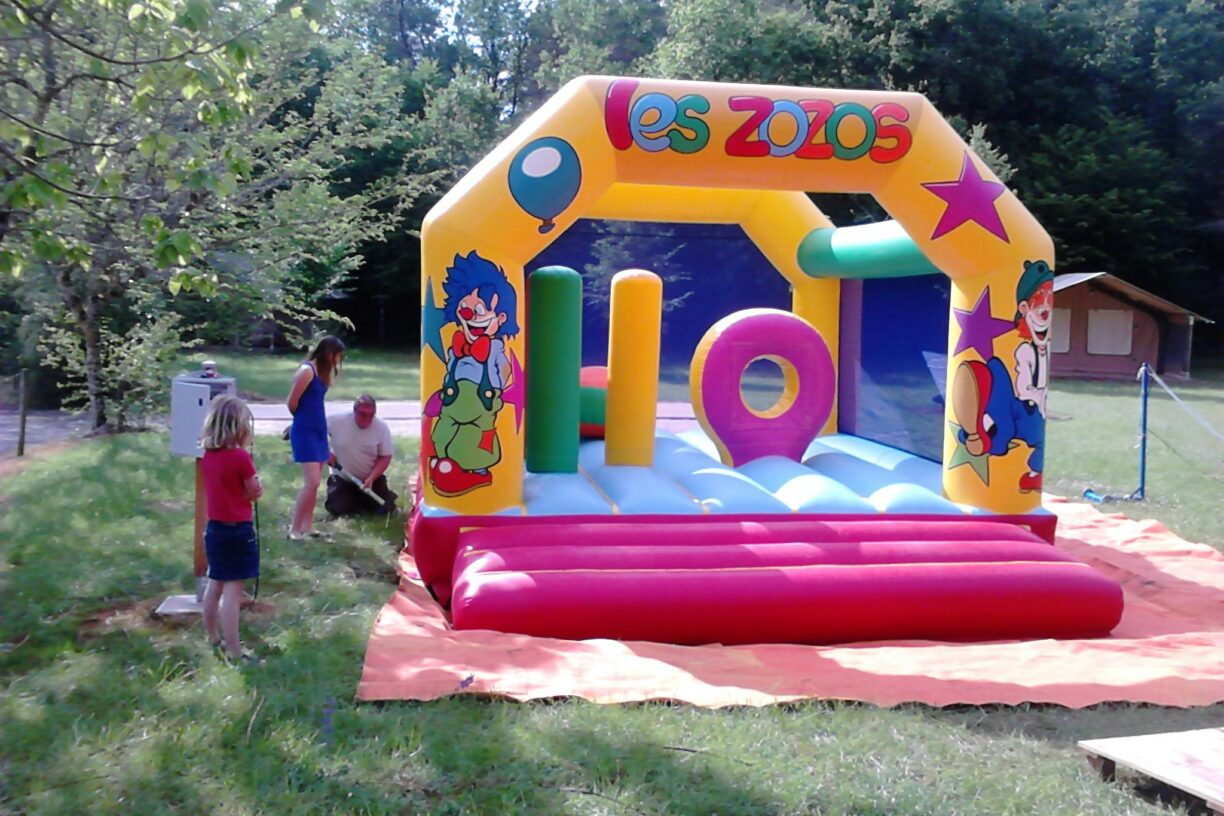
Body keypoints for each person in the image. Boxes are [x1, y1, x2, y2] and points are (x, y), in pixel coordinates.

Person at [199, 395, 263, 661]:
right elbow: (253, 491)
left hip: (215, 530)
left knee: (215, 583)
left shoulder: (208, 456)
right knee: (233, 592)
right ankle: (235, 650)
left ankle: (213, 637)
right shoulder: (240, 457)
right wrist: (257, 486)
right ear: (238, 426)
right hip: (238, 531)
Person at [287, 335, 344, 538]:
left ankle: (307, 526)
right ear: (328, 353)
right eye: (336, 355)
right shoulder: (307, 371)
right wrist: (303, 421)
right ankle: (294, 529)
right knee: (311, 482)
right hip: (305, 431)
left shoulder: (322, 373)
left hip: (319, 430)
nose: (338, 360)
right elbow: (292, 403)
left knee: (315, 483)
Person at [325, 394, 398, 516]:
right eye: (363, 414)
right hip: (343, 478)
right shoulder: (336, 422)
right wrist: (324, 451)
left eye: (371, 415)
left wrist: (371, 478)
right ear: (354, 411)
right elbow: (312, 430)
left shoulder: (381, 428)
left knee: (384, 510)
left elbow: (385, 456)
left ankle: (363, 500)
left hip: (370, 480)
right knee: (338, 510)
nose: (367, 419)